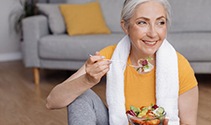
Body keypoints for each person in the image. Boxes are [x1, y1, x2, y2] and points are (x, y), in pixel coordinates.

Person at [46, 0, 199, 124]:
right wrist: (87, 80)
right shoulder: (109, 56)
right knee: (80, 95)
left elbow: (188, 123)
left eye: (160, 22)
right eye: (142, 23)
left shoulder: (179, 65)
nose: (153, 33)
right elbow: (52, 102)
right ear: (125, 26)